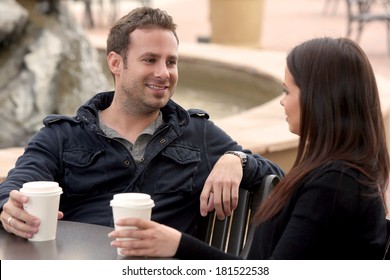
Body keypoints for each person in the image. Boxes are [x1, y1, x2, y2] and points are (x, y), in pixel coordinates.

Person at [0, 7, 283, 240]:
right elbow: (13, 188)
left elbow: (279, 180)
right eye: (150, 60)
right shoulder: (62, 136)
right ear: (115, 63)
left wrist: (237, 159)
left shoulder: (198, 134)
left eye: (171, 62)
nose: (163, 73)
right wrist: (9, 208)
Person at [108, 37, 389, 260]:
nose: (282, 102)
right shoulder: (339, 173)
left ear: (319, 99)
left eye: (287, 91)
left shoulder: (335, 184)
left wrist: (178, 244)